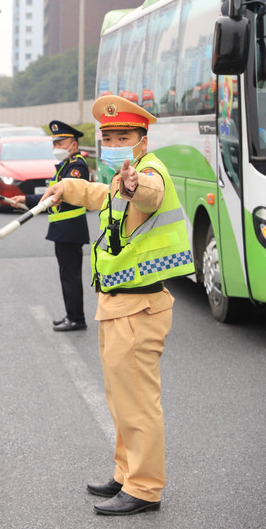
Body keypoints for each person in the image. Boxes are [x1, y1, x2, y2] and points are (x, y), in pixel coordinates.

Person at [39, 95, 194, 516]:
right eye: (108, 137)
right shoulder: (119, 176)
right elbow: (102, 196)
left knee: (138, 403)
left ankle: (144, 487)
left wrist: (133, 185)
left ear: (143, 139)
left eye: (123, 137)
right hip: (117, 305)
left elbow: (147, 195)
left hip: (139, 307)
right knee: (121, 400)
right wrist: (67, 188)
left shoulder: (147, 173)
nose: (113, 144)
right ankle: (126, 473)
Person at [10, 120, 90, 332]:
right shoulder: (65, 166)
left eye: (60, 143)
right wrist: (25, 199)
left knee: (70, 277)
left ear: (74, 144)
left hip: (70, 230)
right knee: (67, 275)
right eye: (54, 144)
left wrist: (28, 200)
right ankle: (71, 314)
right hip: (63, 229)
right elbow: (50, 195)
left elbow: (59, 196)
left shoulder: (77, 167)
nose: (56, 147)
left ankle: (76, 318)